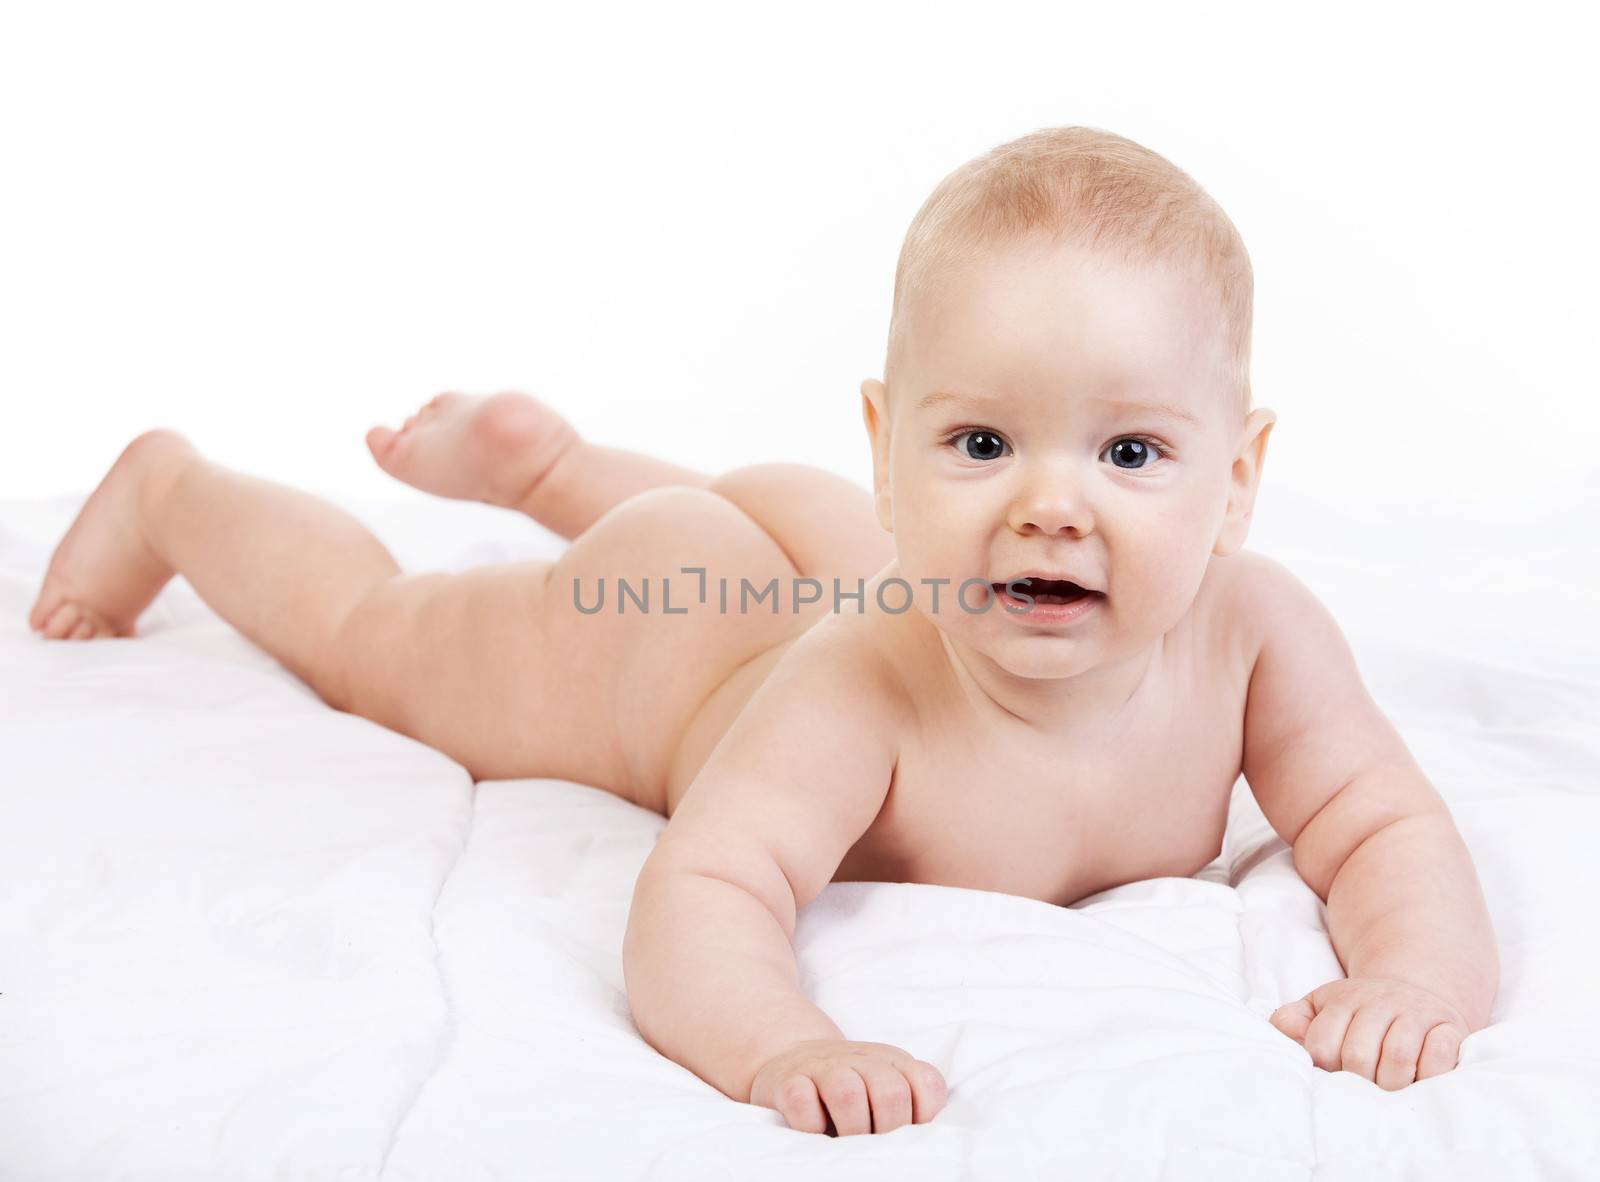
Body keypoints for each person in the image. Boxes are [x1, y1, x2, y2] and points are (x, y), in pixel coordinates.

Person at [27, 125, 1498, 1136]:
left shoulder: (1255, 635)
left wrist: (1413, 978)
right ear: (885, 438)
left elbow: (1382, 825)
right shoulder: (858, 694)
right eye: (980, 440)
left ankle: (545, 468)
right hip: (674, 639)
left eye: (1128, 454)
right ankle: (173, 491)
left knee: (881, 563)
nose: (1053, 506)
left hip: (858, 560)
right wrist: (779, 1043)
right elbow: (702, 891)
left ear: (1237, 477)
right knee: (377, 633)